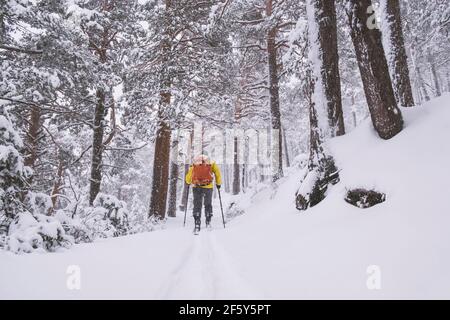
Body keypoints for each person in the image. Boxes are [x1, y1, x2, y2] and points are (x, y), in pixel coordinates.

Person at [185, 154, 222, 232]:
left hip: (196, 186)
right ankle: (208, 221)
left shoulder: (195, 162)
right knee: (208, 204)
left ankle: (197, 223)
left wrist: (188, 182)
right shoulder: (211, 162)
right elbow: (217, 172)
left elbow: (190, 172)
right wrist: (218, 183)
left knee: (197, 205)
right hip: (208, 187)